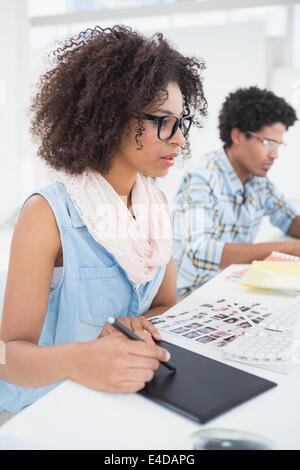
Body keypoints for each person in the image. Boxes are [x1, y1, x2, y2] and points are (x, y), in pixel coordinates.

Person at [0, 25, 207, 413]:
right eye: (165, 121)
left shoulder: (154, 205)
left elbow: (165, 305)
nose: (179, 139)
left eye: (182, 123)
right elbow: (7, 358)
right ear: (112, 117)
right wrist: (80, 358)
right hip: (50, 408)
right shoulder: (47, 214)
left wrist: (138, 324)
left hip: (124, 399)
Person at [173, 86, 300, 299]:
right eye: (268, 143)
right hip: (191, 295)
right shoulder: (201, 178)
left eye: (278, 145)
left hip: (232, 287)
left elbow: (288, 219)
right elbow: (201, 251)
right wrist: (288, 249)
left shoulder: (259, 182)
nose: (275, 154)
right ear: (238, 136)